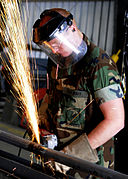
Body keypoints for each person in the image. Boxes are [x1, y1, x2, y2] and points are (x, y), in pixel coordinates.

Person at [32, 8, 125, 178]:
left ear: (72, 29)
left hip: (88, 168)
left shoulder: (99, 65)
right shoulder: (58, 61)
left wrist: (68, 157)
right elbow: (51, 95)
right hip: (57, 159)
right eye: (49, 47)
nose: (54, 51)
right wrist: (40, 122)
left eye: (57, 44)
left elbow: (116, 121)